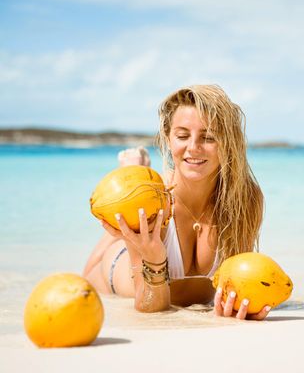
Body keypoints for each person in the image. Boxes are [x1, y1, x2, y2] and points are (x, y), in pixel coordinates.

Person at [83, 85, 269, 320]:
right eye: (182, 136)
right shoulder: (150, 203)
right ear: (168, 140)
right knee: (129, 208)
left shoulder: (245, 199)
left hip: (154, 206)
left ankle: (137, 173)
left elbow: (240, 284)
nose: (193, 147)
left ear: (228, 141)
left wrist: (241, 308)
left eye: (209, 137)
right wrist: (154, 258)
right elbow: (150, 306)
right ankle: (133, 175)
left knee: (139, 199)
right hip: (114, 272)